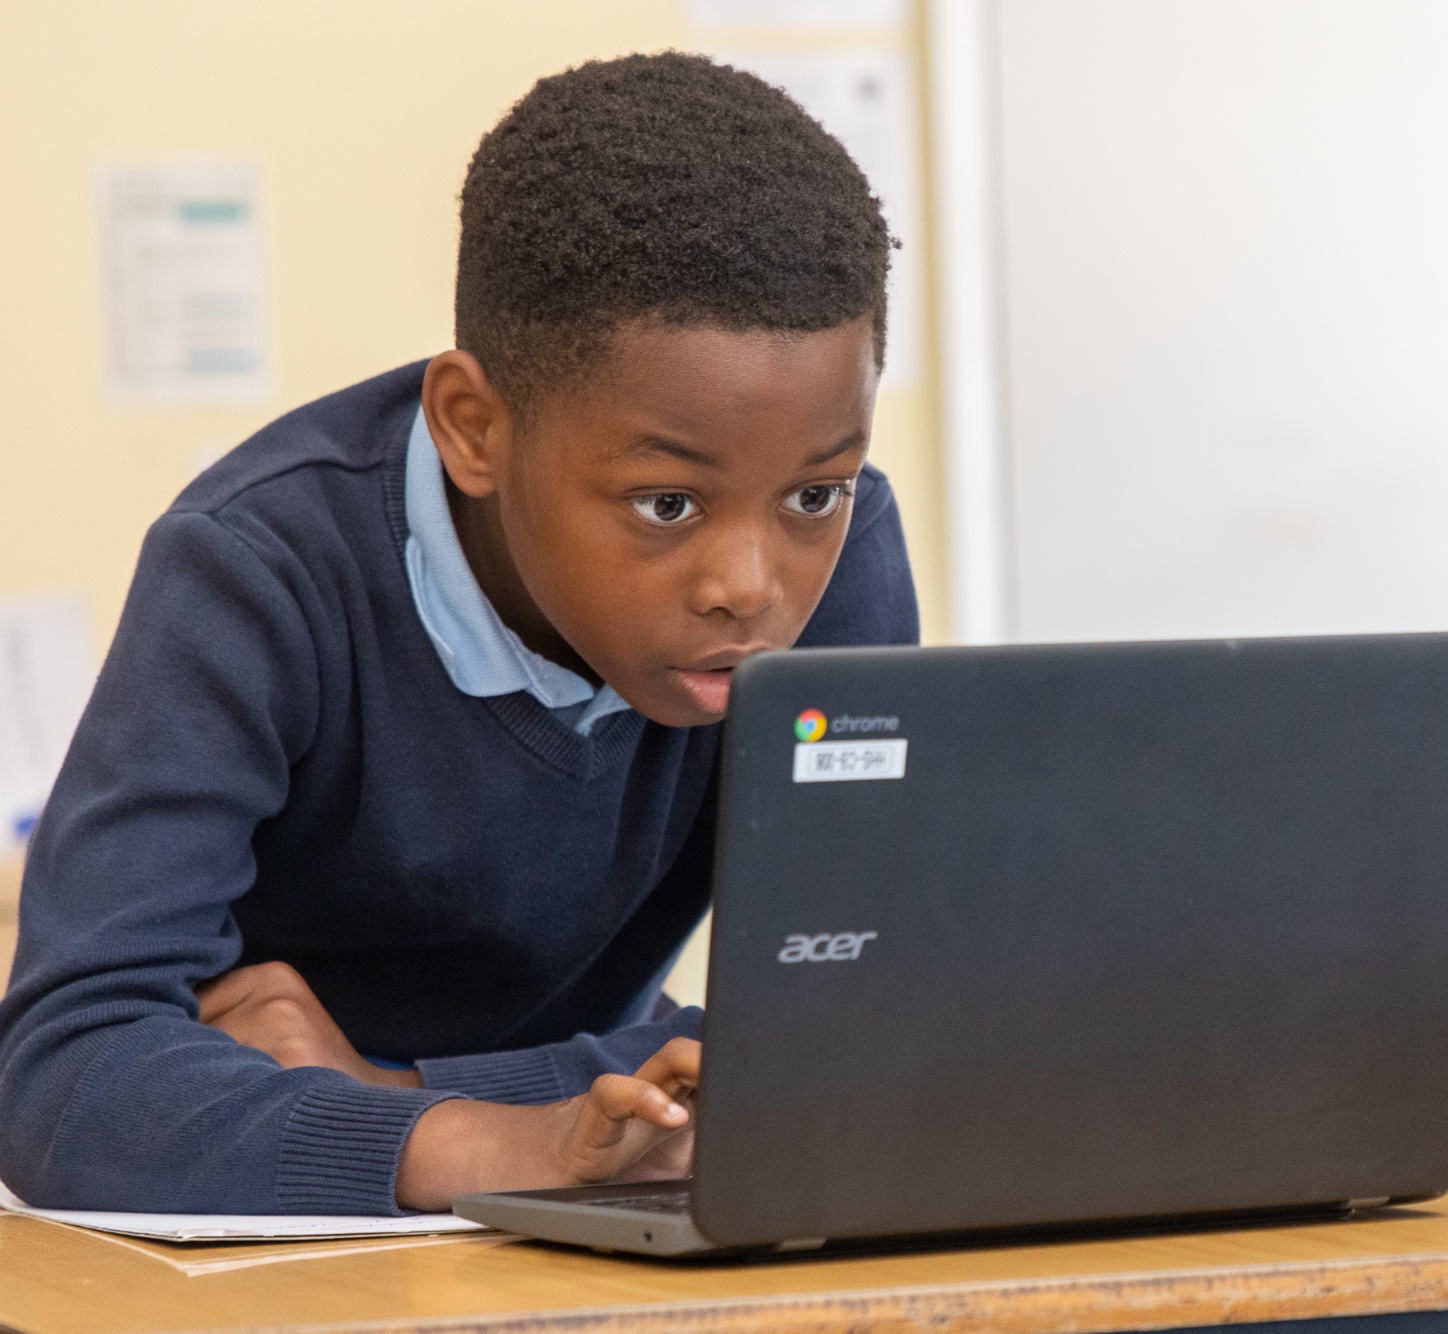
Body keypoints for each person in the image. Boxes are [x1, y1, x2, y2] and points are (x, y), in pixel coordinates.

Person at [0, 52, 916, 1214]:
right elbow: (64, 1077)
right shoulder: (257, 572)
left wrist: (401, 1092)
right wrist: (483, 1142)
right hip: (271, 1246)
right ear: (473, 427)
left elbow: (858, 1013)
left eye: (814, 495)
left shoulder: (841, 566)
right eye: (666, 504)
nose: (751, 585)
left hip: (566, 1194)